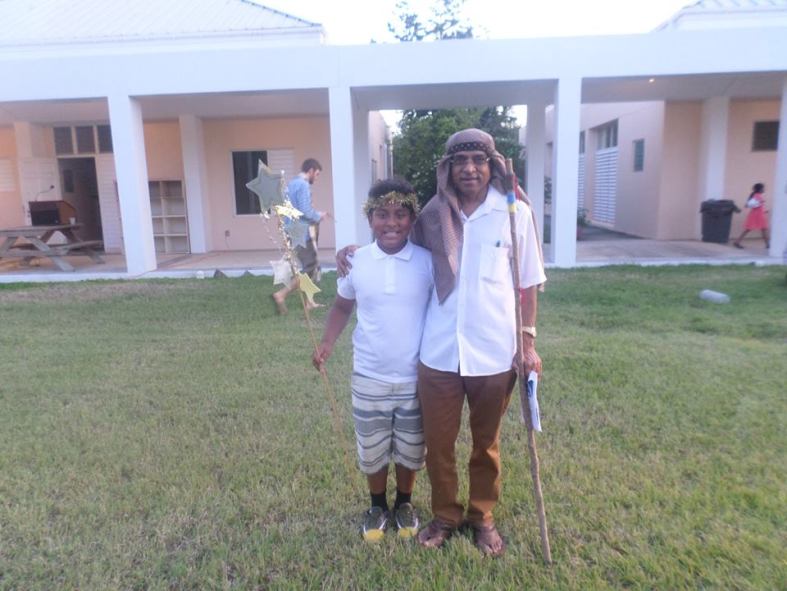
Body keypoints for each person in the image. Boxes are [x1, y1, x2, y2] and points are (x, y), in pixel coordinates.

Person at [337, 129, 546, 557]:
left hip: (494, 352)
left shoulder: (514, 214)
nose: (469, 168)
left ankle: (482, 516)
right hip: (438, 355)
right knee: (438, 445)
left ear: (492, 165)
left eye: (478, 160)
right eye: (460, 161)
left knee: (486, 444)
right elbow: (394, 243)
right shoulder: (432, 216)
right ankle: (446, 516)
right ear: (447, 168)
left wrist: (527, 342)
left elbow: (527, 284)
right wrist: (356, 251)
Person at [313, 178, 434, 542]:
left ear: (412, 218)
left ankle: (405, 503)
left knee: (411, 448)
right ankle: (378, 506)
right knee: (373, 448)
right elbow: (341, 306)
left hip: (416, 377)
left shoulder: (428, 262)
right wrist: (327, 342)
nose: (391, 223)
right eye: (382, 214)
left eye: (400, 214)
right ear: (369, 219)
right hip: (368, 375)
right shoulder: (356, 262)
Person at [273, 158, 327, 314]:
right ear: (310, 171)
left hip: (291, 229)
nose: (316, 178)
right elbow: (305, 211)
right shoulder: (303, 185)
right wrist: (319, 216)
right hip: (301, 232)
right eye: (317, 174)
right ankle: (281, 295)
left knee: (310, 266)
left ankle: (309, 302)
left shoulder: (291, 184)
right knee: (310, 267)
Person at [733, 182, 770, 249]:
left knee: (753, 229)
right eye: (763, 188)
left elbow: (755, 206)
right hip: (757, 215)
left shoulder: (756, 195)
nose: (764, 189)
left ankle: (767, 244)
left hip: (756, 214)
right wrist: (760, 204)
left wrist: (764, 211)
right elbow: (751, 205)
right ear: (760, 189)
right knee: (762, 228)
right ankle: (768, 244)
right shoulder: (757, 196)